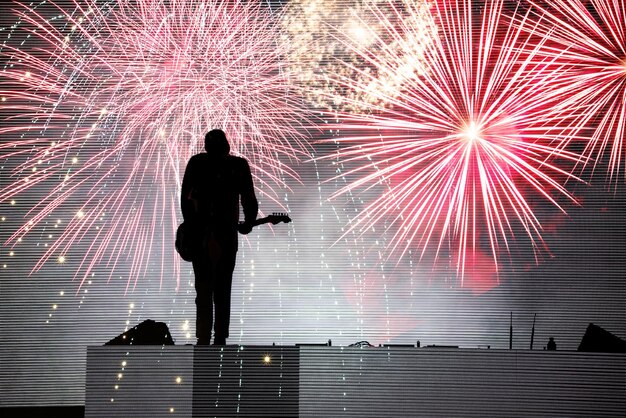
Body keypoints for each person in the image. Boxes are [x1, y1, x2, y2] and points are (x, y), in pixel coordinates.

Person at [181, 129, 258, 345]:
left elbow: (185, 199)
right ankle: (219, 338)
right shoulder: (238, 165)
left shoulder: (197, 163)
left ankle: (205, 338)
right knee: (222, 289)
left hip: (202, 235)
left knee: (204, 288)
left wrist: (190, 227)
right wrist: (249, 223)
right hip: (222, 235)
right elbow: (249, 199)